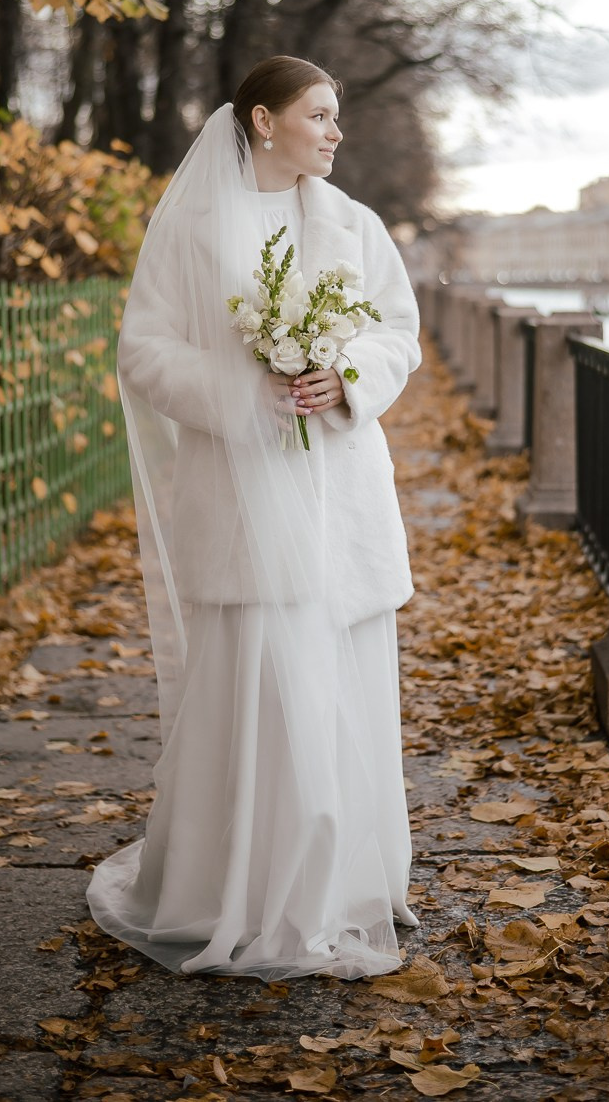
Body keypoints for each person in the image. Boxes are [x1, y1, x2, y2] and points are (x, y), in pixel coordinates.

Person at [85, 55, 422, 982]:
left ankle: (345, 885)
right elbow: (144, 351)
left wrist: (346, 379)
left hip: (339, 495)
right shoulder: (191, 228)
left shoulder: (354, 224)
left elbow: (400, 333)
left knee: (344, 682)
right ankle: (220, 888)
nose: (334, 131)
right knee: (252, 687)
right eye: (319, 114)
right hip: (239, 496)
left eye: (337, 117)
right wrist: (243, 389)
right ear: (264, 120)